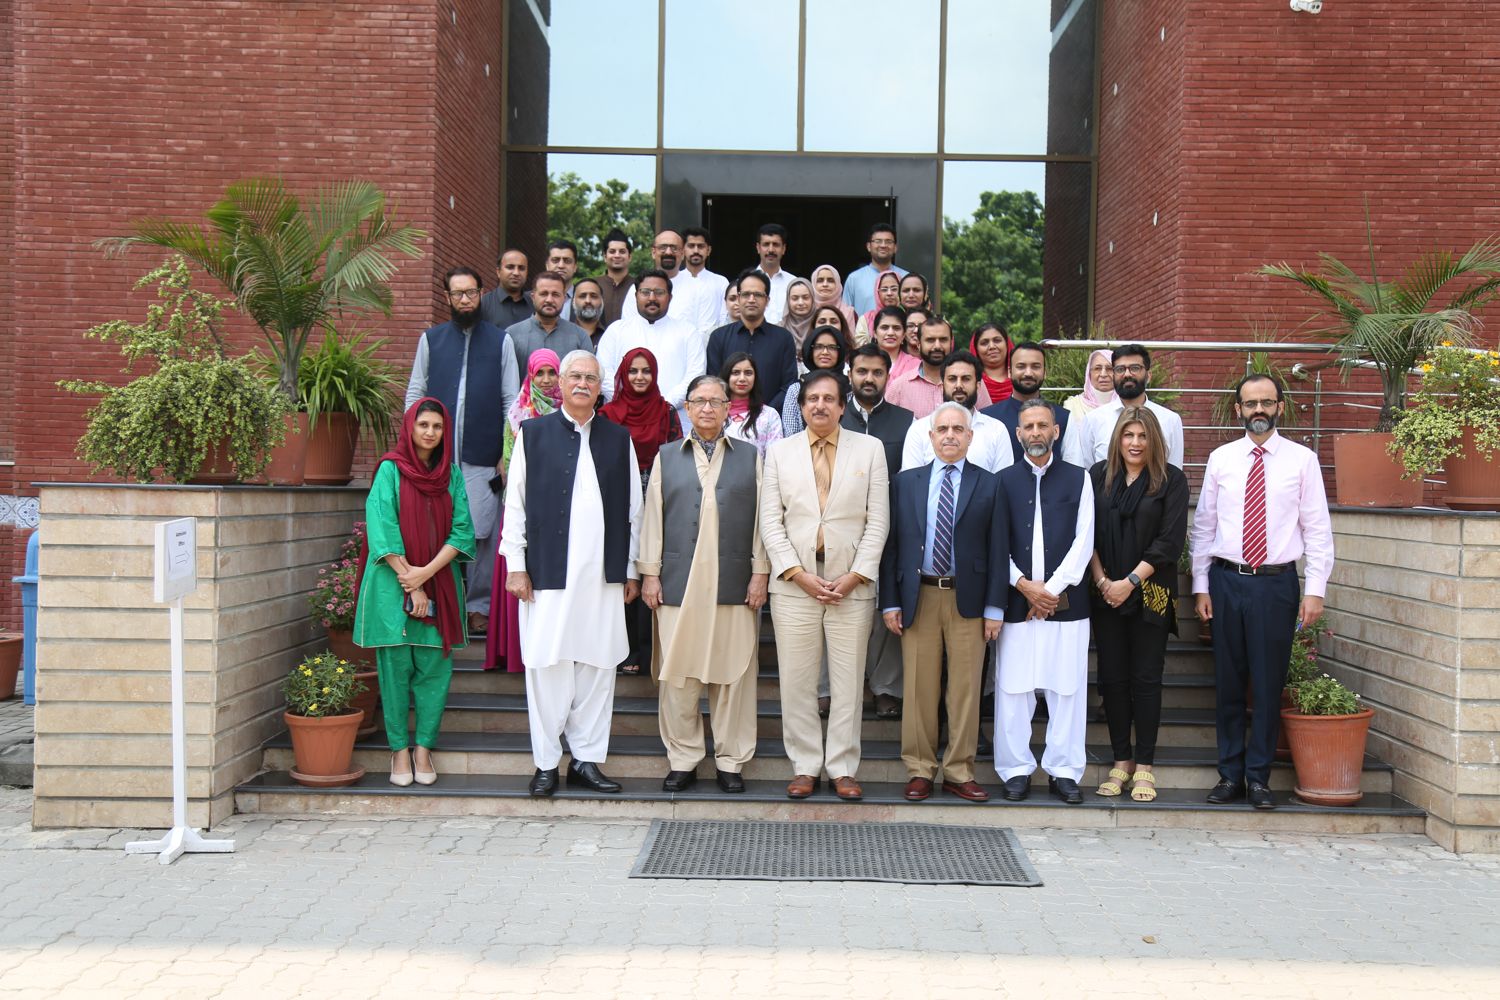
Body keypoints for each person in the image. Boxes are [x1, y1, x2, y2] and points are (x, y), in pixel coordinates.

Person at [500, 351, 643, 797]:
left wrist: (632, 568)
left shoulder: (618, 438)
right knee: (547, 665)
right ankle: (546, 763)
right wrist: (516, 565)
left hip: (603, 573)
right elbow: (515, 504)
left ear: (601, 388)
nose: (583, 384)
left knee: (599, 666)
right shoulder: (533, 434)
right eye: (575, 376)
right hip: (547, 571)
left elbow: (635, 510)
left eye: (591, 378)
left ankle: (586, 760)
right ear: (560, 383)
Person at [1192, 374, 1333, 811]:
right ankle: (1229, 775)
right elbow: (1204, 527)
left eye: (1266, 402)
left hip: (1276, 585)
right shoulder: (1220, 459)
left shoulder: (1303, 460)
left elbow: (1318, 529)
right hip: (1227, 581)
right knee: (1229, 682)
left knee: (1269, 684)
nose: (1258, 410)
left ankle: (1258, 778)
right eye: (1250, 403)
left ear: (1279, 407)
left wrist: (1315, 590)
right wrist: (1200, 585)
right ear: (1238, 409)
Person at [760, 371, 890, 801]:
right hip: (795, 585)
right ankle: (805, 765)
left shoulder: (870, 449)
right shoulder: (779, 453)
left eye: (828, 399)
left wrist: (856, 575)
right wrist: (797, 574)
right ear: (801, 407)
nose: (820, 405)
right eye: (812, 399)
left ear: (841, 405)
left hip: (850, 584)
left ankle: (842, 767)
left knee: (848, 682)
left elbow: (878, 521)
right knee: (797, 682)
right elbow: (770, 522)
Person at [640, 374, 769, 794]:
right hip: (678, 583)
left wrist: (760, 572)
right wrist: (650, 573)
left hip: (734, 582)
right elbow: (652, 517)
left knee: (734, 677)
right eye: (700, 401)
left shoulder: (750, 456)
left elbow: (763, 520)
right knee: (679, 677)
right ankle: (683, 759)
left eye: (716, 401)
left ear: (729, 408)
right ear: (688, 408)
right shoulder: (666, 456)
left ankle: (731, 761)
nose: (708, 408)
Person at [881, 402, 1008, 802]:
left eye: (958, 429)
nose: (950, 435)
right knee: (919, 688)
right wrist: (890, 602)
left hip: (968, 600)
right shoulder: (905, 483)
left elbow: (999, 549)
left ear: (970, 437)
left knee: (965, 691)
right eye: (943, 429)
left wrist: (995, 608)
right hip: (918, 596)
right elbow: (892, 546)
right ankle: (920, 769)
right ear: (931, 436)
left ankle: (959, 771)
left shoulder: (990, 484)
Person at [354, 398, 476, 786]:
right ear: (410, 427)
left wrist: (426, 574)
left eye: (437, 427)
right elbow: (382, 527)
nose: (430, 432)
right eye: (423, 425)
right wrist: (413, 581)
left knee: (434, 672)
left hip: (438, 580)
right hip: (393, 584)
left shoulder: (450, 474)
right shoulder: (390, 470)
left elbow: (462, 531)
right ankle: (398, 751)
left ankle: (423, 749)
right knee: (394, 673)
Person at [405, 266, 520, 638]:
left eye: (471, 292)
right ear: (448, 297)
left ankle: (477, 607)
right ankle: (439, 602)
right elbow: (415, 394)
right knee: (434, 530)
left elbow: (511, 401)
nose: (465, 299)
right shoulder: (431, 340)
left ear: (481, 292)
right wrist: (414, 444)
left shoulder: (500, 341)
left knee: (481, 533)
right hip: (435, 458)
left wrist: (507, 452)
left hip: (482, 457)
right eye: (458, 294)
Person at [994, 399, 1095, 805]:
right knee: (1012, 689)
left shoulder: (1079, 478)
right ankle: (1015, 769)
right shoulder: (1002, 481)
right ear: (1018, 434)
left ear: (1056, 431)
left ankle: (1064, 771)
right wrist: (1023, 585)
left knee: (1067, 689)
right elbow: (995, 543)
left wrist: (1049, 590)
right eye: (1029, 426)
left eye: (1043, 425)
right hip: (1016, 600)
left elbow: (1084, 540)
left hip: (1065, 602)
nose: (1036, 432)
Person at [1087, 407, 1189, 803]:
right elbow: (1087, 534)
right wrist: (1103, 581)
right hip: (1105, 592)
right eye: (1128, 435)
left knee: (1146, 679)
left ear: (1154, 440)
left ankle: (1145, 765)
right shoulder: (1098, 476)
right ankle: (1121, 760)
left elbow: (1170, 542)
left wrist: (1129, 582)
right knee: (1112, 678)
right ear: (1118, 438)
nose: (1135, 443)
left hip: (1151, 591)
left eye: (1142, 436)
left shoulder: (1171, 480)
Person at [840, 342, 915, 720]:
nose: (869, 378)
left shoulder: (907, 421)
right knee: (839, 609)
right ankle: (835, 689)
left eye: (877, 372)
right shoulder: (835, 416)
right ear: (850, 374)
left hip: (892, 529)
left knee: (888, 608)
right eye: (862, 371)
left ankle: (885, 686)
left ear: (888, 376)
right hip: (841, 529)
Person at [601, 347, 684, 676]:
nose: (639, 377)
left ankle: (650, 650)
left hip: (658, 493)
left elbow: (676, 456)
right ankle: (624, 648)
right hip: (616, 497)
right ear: (623, 374)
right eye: (633, 371)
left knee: (652, 567)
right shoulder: (607, 414)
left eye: (646, 371)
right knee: (622, 569)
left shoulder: (666, 412)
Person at [486, 349, 563, 675]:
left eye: (551, 372)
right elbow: (510, 464)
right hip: (523, 506)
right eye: (539, 373)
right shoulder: (518, 413)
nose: (545, 380)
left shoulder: (570, 411)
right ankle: (516, 653)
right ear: (529, 376)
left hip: (560, 510)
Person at [596, 269, 705, 417]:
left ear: (670, 297)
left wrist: (665, 405)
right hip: (623, 417)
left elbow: (695, 375)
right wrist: (630, 404)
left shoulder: (688, 332)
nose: (652, 298)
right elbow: (603, 373)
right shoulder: (616, 331)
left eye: (659, 292)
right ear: (636, 296)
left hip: (672, 417)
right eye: (645, 292)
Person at [1066, 344, 1185, 469]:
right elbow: (1087, 472)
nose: (1127, 374)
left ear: (1148, 375)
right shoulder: (1093, 420)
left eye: (1135, 368)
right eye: (1120, 369)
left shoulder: (1170, 420)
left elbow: (1175, 472)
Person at [900, 350, 1014, 475]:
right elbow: (911, 482)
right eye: (952, 379)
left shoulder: (996, 430)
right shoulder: (919, 430)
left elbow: (1001, 483)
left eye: (966, 379)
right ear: (942, 385)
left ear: (978, 386)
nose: (959, 385)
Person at [705, 269, 799, 405]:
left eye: (758, 295)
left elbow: (789, 385)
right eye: (746, 294)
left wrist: (766, 413)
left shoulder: (783, 338)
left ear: (767, 300)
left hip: (773, 416)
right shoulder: (718, 337)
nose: (751, 300)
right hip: (727, 415)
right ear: (738, 299)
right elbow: (714, 383)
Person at [981, 341, 1071, 463]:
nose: (1028, 373)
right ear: (1009, 372)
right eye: (1021, 366)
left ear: (1045, 373)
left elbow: (1073, 468)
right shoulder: (987, 418)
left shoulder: (1065, 418)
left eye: (1035, 367)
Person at [505, 270, 593, 372]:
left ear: (564, 298)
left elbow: (589, 375)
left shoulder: (580, 337)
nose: (549, 300)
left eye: (555, 294)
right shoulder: (512, 335)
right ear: (533, 297)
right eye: (544, 294)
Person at [779, 326, 849, 436]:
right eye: (819, 347)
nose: (825, 352)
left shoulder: (849, 390)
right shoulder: (796, 390)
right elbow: (791, 434)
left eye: (832, 347)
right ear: (810, 350)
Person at [884, 314, 953, 419]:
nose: (937, 346)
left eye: (943, 340)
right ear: (919, 344)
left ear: (951, 343)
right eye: (930, 340)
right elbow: (885, 424)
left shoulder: (966, 382)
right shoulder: (899, 387)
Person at [722, 352, 783, 456]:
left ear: (755, 378)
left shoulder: (769, 415)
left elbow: (775, 458)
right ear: (727, 376)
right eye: (736, 373)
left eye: (748, 373)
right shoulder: (714, 412)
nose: (742, 378)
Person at [843, 223, 907, 315]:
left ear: (895, 247)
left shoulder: (905, 278)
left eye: (888, 241)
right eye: (878, 241)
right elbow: (846, 316)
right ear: (868, 246)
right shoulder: (854, 279)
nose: (883, 245)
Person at [679, 226, 730, 334]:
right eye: (691, 246)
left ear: (708, 250)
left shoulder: (721, 282)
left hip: (711, 340)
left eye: (701, 246)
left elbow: (724, 317)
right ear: (683, 250)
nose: (696, 250)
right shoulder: (673, 281)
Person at [755, 223, 800, 324]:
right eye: (766, 244)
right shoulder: (746, 282)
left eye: (776, 244)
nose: (771, 250)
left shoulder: (794, 282)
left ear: (783, 249)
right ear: (758, 248)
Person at [480, 248, 533, 330]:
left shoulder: (534, 305)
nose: (516, 273)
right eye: (510, 267)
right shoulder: (483, 304)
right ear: (498, 272)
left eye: (521, 268)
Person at [1062, 348, 1116, 421]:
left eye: (1109, 368)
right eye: (1097, 368)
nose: (1103, 374)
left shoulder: (1126, 405)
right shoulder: (1073, 405)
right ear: (1089, 373)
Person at [598, 227, 635, 327]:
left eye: (622, 251)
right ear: (605, 257)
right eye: (612, 251)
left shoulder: (639, 286)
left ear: (629, 257)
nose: (617, 255)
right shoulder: (593, 285)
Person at [971, 323, 1013, 407]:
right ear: (976, 349)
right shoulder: (970, 381)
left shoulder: (1021, 377)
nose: (992, 346)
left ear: (1007, 344)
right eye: (984, 343)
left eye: (997, 340)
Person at [855, 270, 902, 346]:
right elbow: (859, 347)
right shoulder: (866, 319)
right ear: (877, 293)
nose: (889, 293)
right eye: (884, 290)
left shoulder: (907, 317)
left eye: (894, 289)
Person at [811, 264, 859, 338]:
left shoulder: (850, 313)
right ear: (813, 283)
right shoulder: (807, 311)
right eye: (820, 280)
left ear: (837, 284)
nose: (825, 284)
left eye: (830, 280)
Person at [870, 305, 917, 381]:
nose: (890, 333)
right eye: (884, 327)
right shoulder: (863, 361)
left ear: (904, 335)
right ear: (875, 333)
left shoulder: (915, 365)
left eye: (896, 328)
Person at [545, 239, 580, 320]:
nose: (561, 265)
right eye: (555, 260)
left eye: (567, 261)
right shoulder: (530, 299)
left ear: (575, 267)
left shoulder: (586, 299)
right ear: (547, 265)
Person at [780, 277, 816, 352]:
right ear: (788, 301)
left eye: (805, 297)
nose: (800, 303)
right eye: (795, 298)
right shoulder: (779, 329)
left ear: (813, 299)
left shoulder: (819, 325)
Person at [571, 277, 607, 348]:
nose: (588, 301)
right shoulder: (563, 334)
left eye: (594, 296)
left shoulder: (610, 335)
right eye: (582, 296)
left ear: (602, 301)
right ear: (573, 301)